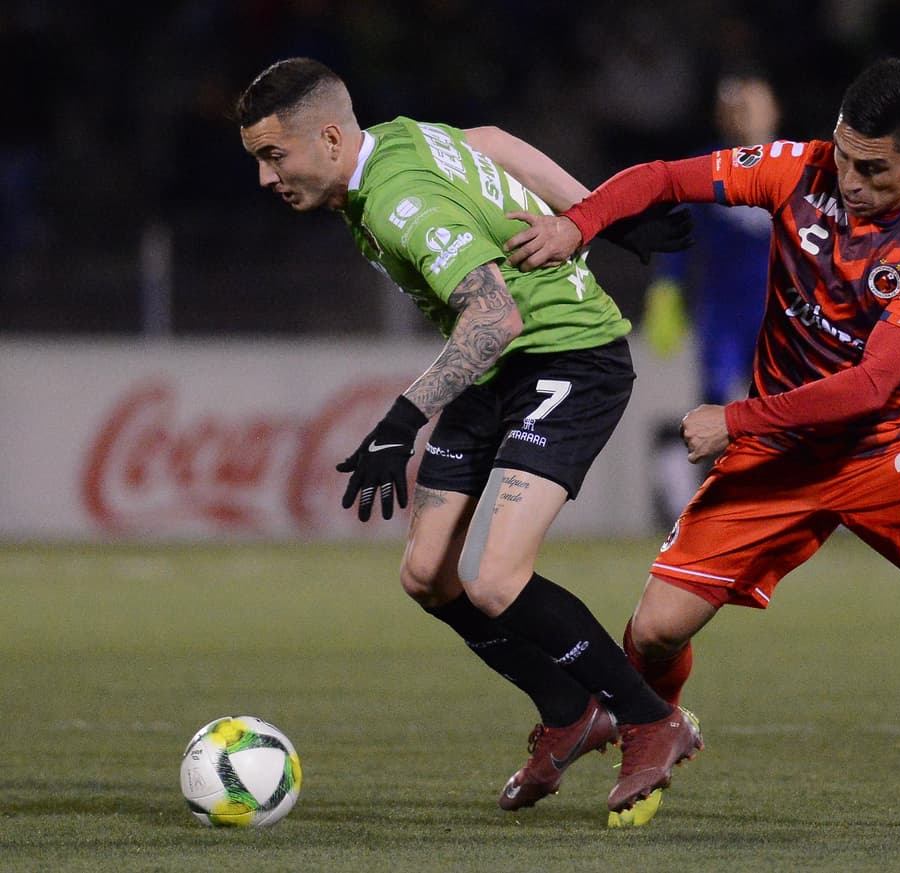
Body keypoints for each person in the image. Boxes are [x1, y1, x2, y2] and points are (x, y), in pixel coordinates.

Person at [506, 57, 900, 833]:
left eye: (872, 167)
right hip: (779, 459)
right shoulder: (799, 169)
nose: (849, 179)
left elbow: (868, 386)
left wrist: (736, 419)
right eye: (842, 152)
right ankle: (652, 739)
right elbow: (661, 177)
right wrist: (576, 222)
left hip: (886, 450)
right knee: (656, 627)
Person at [234, 57, 702, 820]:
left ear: (326, 137)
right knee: (427, 572)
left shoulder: (399, 202)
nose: (264, 177)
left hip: (567, 355)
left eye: (272, 156)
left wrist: (401, 420)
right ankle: (567, 709)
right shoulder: (389, 143)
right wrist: (595, 210)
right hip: (500, 368)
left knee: (494, 578)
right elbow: (487, 139)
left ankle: (650, 716)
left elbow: (495, 320)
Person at [645, 74, 779, 522]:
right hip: (723, 310)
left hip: (780, 312)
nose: (744, 114)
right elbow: (679, 236)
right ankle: (711, 509)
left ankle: (797, 503)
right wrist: (666, 289)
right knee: (717, 404)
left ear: (773, 110)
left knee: (786, 403)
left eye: (753, 104)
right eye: (735, 105)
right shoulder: (706, 166)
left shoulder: (796, 164)